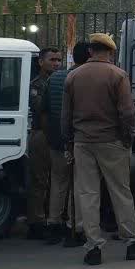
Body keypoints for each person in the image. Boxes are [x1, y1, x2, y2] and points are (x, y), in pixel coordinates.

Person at [62, 33, 135, 265]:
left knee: (88, 193)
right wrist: (128, 136)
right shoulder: (117, 74)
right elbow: (128, 112)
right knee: (120, 191)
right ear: (110, 52)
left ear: (91, 51)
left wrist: (68, 140)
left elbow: (66, 114)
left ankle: (93, 246)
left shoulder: (73, 76)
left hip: (82, 141)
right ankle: (132, 242)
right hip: (112, 140)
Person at [45, 42, 89, 246]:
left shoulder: (55, 77)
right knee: (79, 184)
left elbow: (44, 109)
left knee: (58, 182)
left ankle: (53, 223)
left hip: (56, 139)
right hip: (79, 139)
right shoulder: (86, 78)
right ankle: (76, 226)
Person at [24, 47, 61, 239]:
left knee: (58, 179)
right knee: (39, 179)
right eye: (52, 60)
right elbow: (40, 108)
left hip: (59, 135)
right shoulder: (36, 84)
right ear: (40, 62)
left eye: (58, 60)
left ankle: (54, 219)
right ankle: (36, 221)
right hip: (42, 134)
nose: (56, 63)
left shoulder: (62, 81)